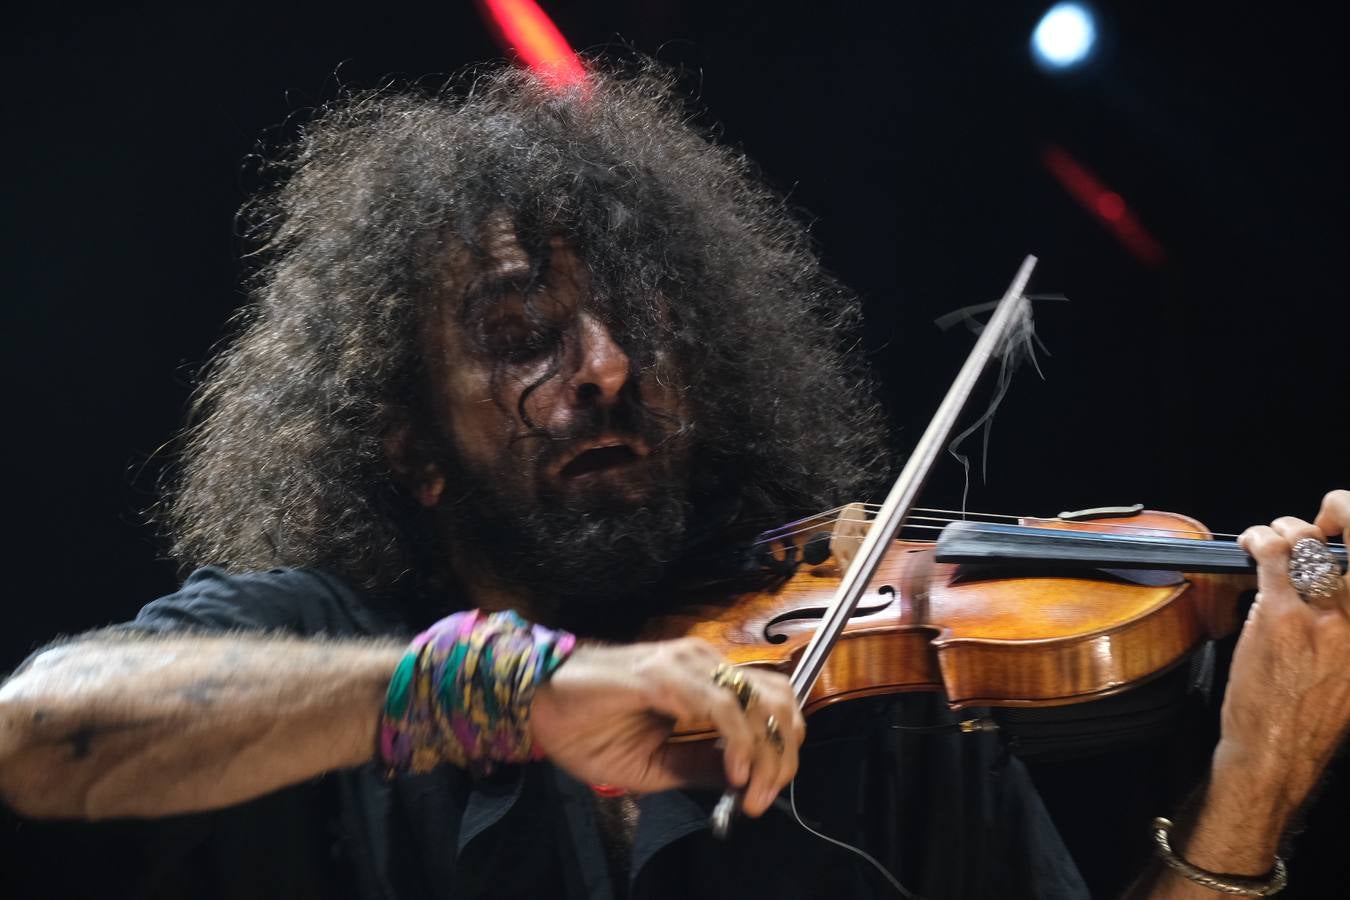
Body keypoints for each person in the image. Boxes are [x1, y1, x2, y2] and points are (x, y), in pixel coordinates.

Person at [1, 64, 1346, 900]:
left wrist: (1249, 790)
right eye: (524, 334)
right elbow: (36, 733)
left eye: (643, 324)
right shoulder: (316, 648)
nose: (605, 368)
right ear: (407, 447)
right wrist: (516, 693)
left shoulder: (880, 711)